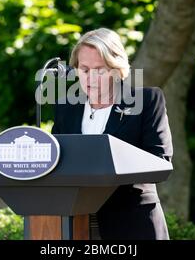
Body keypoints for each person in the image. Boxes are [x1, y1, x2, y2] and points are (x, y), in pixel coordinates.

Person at [51, 28, 173, 240]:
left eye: (100, 70)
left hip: (132, 224)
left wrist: (109, 163)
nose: (91, 78)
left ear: (117, 69)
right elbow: (56, 161)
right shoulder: (65, 108)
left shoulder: (146, 101)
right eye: (85, 69)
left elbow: (160, 162)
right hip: (76, 224)